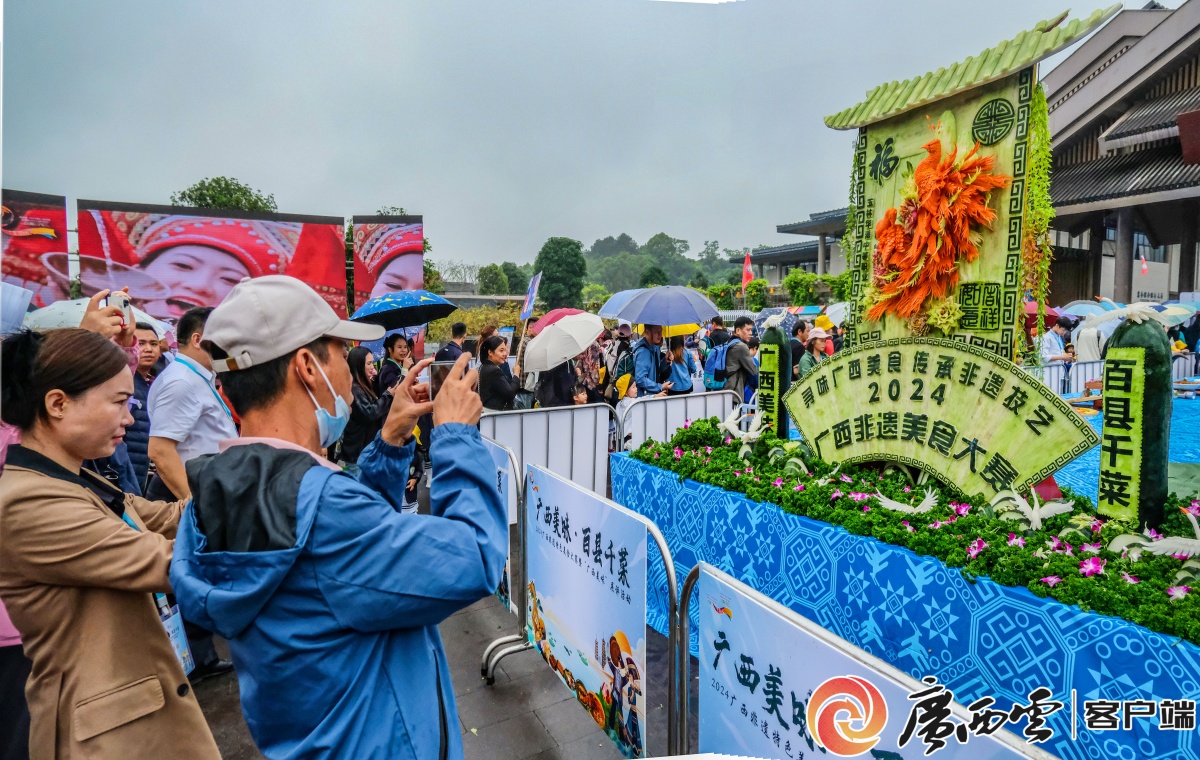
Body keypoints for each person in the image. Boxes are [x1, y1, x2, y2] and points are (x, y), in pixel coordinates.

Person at [169, 275, 506, 759]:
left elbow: (349, 560)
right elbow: (475, 555)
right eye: (341, 352)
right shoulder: (327, 510)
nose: (349, 372)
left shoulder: (213, 491)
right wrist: (455, 436)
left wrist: (390, 439)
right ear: (307, 366)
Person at [0, 328, 221, 760]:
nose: (130, 419)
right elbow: (167, 561)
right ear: (58, 404)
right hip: (103, 739)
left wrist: (239, 487)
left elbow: (164, 516)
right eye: (119, 402)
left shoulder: (75, 477)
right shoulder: (25, 502)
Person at [145, 305, 236, 682]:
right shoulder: (181, 381)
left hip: (197, 488)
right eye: (222, 338)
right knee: (187, 575)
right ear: (199, 339)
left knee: (194, 574)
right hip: (183, 492)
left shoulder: (195, 377)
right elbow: (160, 450)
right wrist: (193, 504)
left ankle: (201, 657)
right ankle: (195, 661)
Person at [338, 346, 399, 467]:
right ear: (359, 365)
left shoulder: (364, 385)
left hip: (365, 451)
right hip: (357, 454)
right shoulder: (355, 388)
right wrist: (388, 396)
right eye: (369, 363)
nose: (372, 367)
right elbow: (370, 413)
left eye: (372, 363)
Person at [125, 322, 161, 491]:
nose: (148, 349)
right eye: (141, 343)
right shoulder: (124, 383)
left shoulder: (158, 382)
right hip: (127, 469)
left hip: (148, 473)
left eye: (154, 344)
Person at [478, 335, 521, 411]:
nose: (505, 354)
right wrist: (516, 375)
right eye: (501, 351)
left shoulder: (484, 367)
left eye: (505, 350)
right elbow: (510, 393)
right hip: (495, 413)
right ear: (490, 352)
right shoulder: (493, 370)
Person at [721, 316, 759, 402]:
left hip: (725, 391)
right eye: (748, 330)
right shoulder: (741, 347)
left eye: (751, 330)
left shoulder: (730, 342)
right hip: (733, 394)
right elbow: (754, 371)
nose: (750, 333)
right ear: (738, 330)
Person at [632, 324, 672, 397]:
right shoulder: (643, 352)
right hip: (646, 398)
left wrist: (665, 360)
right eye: (656, 332)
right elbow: (640, 379)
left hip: (652, 396)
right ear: (647, 332)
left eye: (661, 331)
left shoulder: (654, 348)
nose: (660, 334)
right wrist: (660, 387)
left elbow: (656, 371)